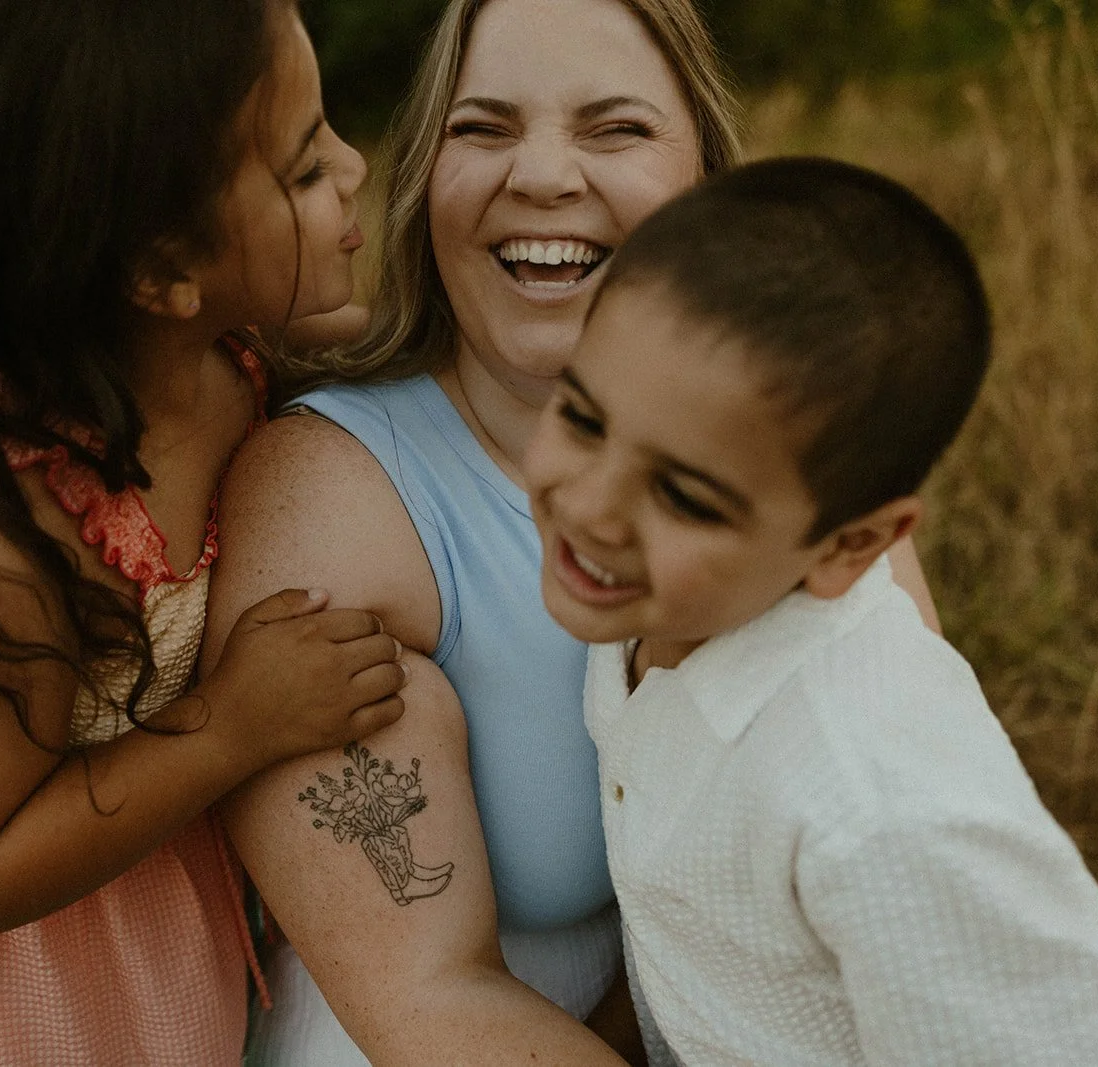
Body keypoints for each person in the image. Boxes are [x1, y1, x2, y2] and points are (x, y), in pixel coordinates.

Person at [203, 0, 937, 1063]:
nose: (543, 175)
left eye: (616, 130)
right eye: (483, 128)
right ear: (423, 179)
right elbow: (426, 1001)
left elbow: (903, 858)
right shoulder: (335, 495)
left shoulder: (809, 473)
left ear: (708, 189)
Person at [0, 0, 407, 1062]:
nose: (357, 166)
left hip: (143, 894)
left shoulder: (225, 351)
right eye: (303, 166)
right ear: (159, 269)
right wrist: (230, 726)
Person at [523, 156, 1098, 1065]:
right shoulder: (660, 606)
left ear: (849, 546)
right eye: (584, 419)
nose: (591, 507)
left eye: (686, 497)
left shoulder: (874, 793)